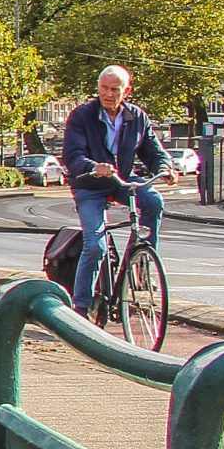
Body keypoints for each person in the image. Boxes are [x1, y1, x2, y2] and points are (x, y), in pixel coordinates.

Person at [61, 64, 168, 314]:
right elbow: (72, 155)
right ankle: (81, 307)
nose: (108, 94)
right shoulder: (82, 116)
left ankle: (140, 264)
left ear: (126, 91)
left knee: (153, 201)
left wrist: (165, 168)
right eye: (103, 88)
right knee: (95, 245)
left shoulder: (137, 117)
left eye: (115, 89)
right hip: (89, 184)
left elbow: (153, 151)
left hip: (122, 179)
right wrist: (92, 166)